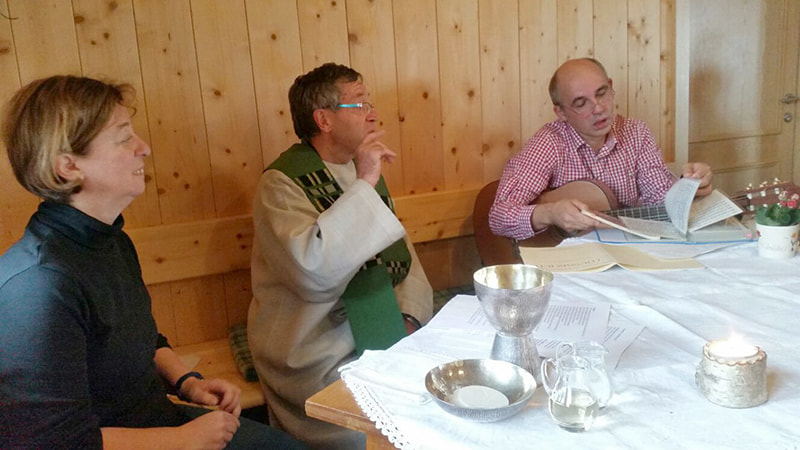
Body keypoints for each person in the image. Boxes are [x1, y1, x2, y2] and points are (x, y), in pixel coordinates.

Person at [0, 75, 305, 450]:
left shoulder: (111, 240)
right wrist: (183, 439)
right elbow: (55, 441)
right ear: (68, 166)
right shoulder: (37, 285)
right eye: (123, 137)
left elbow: (144, 341)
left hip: (159, 420)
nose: (143, 148)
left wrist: (188, 382)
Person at [248, 63, 433, 449]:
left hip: (385, 328)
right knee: (381, 434)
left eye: (370, 102)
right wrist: (365, 183)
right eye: (360, 103)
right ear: (324, 120)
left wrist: (409, 317)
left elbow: (402, 256)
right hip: (317, 347)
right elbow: (312, 272)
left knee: (443, 402)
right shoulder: (281, 185)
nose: (373, 113)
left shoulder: (361, 171)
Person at [489, 57, 713, 240]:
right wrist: (550, 213)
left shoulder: (636, 133)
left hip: (629, 252)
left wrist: (689, 187)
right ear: (561, 112)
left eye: (601, 93)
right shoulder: (548, 144)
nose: (598, 108)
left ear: (611, 87)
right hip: (570, 261)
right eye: (581, 103)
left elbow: (660, 200)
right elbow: (498, 216)